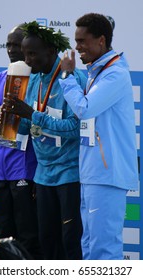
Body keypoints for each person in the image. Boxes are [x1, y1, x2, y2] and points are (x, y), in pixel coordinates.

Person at [3, 21, 86, 260]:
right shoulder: (34, 80)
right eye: (25, 53)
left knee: (71, 240)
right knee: (47, 240)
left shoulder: (72, 79)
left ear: (50, 51)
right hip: (43, 175)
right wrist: (14, 119)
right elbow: (32, 126)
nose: (26, 60)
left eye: (32, 54)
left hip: (70, 174)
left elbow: (75, 128)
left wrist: (31, 114)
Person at [59, 13, 139, 260]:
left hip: (107, 174)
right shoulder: (98, 72)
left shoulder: (115, 74)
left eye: (82, 41)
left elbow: (84, 109)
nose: (77, 47)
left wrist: (66, 77)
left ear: (101, 41)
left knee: (104, 250)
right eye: (76, 40)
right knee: (91, 247)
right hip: (93, 173)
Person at [0, 24, 42, 259]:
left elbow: (41, 126)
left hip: (25, 169)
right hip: (1, 171)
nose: (11, 49)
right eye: (8, 44)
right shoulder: (0, 78)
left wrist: (38, 173)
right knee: (1, 237)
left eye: (17, 44)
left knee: (28, 237)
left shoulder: (38, 79)